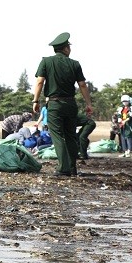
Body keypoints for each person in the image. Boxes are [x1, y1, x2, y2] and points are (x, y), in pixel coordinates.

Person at [32, 32, 93, 177]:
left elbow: (40, 82)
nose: (70, 49)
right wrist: (88, 104)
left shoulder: (46, 62)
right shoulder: (75, 64)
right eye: (68, 47)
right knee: (71, 135)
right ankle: (72, 167)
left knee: (57, 135)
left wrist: (35, 100)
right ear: (65, 49)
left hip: (54, 104)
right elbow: (82, 85)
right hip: (71, 104)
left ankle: (63, 168)